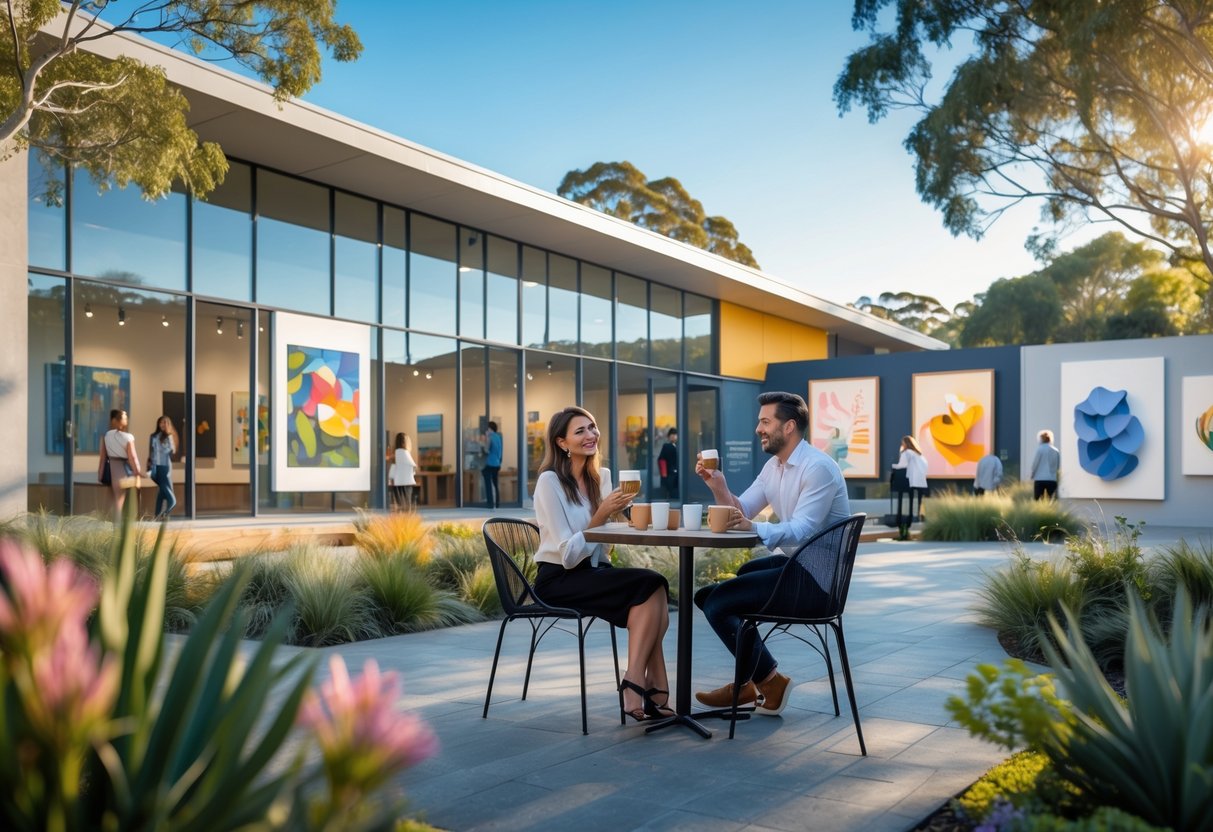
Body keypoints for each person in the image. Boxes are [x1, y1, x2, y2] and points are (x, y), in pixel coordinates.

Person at [691, 391, 851, 716]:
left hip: (818, 584)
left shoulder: (817, 468)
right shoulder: (774, 467)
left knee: (717, 601)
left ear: (789, 426)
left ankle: (756, 683)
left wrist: (753, 528)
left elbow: (804, 528)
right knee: (729, 585)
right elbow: (743, 509)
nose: (758, 429)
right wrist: (717, 485)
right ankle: (766, 681)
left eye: (765, 422)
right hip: (799, 567)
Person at [533, 406, 674, 722]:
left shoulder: (604, 477)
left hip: (595, 570)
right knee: (651, 585)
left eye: (592, 427)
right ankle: (647, 684)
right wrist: (599, 516)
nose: (590, 435)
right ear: (561, 443)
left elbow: (606, 542)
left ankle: (637, 679)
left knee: (655, 588)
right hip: (559, 579)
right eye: (579, 431)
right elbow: (568, 556)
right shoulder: (550, 482)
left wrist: (630, 514)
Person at [98, 409, 143, 516]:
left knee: (111, 501)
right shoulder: (128, 437)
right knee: (120, 501)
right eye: (124, 417)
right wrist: (138, 471)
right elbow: (132, 457)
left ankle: (109, 526)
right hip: (121, 470)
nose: (126, 419)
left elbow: (103, 457)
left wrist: (100, 473)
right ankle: (119, 527)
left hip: (110, 471)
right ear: (117, 420)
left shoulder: (106, 436)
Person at [891, 435, 929, 539]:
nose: (901, 445)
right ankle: (909, 528)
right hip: (920, 482)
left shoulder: (907, 453)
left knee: (904, 507)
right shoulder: (920, 455)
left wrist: (893, 466)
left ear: (906, 444)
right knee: (915, 506)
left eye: (902, 443)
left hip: (908, 481)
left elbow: (901, 465)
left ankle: (904, 531)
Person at [147, 415, 178, 519]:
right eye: (161, 422)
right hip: (155, 467)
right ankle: (158, 515)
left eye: (165, 422)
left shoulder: (169, 436)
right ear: (158, 424)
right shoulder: (153, 436)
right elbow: (151, 452)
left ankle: (162, 514)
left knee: (170, 498)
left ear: (168, 425)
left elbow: (173, 450)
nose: (163, 424)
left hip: (165, 468)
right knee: (161, 492)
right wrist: (150, 464)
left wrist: (164, 446)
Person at [389, 432, 418, 510]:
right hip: (407, 482)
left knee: (399, 504)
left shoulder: (395, 453)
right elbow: (413, 466)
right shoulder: (405, 452)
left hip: (397, 482)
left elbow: (394, 467)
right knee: (407, 503)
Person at [1030, 429, 1061, 500]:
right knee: (1052, 500)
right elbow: (1058, 466)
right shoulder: (1055, 450)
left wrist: (1032, 473)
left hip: (1039, 479)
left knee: (1038, 500)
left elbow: (1035, 464)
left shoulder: (1040, 449)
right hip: (1052, 479)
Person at [482, 421, 503, 509]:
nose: (487, 430)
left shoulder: (490, 437)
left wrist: (486, 438)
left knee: (487, 481)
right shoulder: (499, 437)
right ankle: (497, 503)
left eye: (488, 429)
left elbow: (486, 449)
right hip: (497, 463)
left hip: (490, 463)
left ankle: (490, 503)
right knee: (495, 483)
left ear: (490, 429)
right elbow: (501, 451)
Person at [658, 427, 679, 498]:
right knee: (671, 492)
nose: (674, 437)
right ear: (669, 437)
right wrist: (664, 474)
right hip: (670, 473)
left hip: (676, 473)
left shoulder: (678, 446)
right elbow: (661, 460)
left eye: (675, 435)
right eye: (672, 435)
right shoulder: (667, 446)